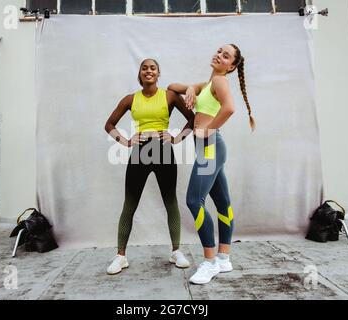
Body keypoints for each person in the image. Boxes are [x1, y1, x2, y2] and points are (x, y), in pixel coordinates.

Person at [168, 44, 255, 284]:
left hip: (210, 148)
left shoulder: (219, 82)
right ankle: (224, 258)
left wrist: (209, 128)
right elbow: (172, 87)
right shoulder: (210, 83)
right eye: (219, 51)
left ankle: (209, 263)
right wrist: (192, 89)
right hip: (209, 149)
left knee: (194, 201)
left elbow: (229, 108)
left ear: (232, 66)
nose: (219, 55)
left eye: (226, 56)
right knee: (222, 202)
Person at [104, 58, 195, 275]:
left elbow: (192, 119)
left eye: (152, 68)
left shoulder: (170, 95)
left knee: (170, 201)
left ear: (158, 73)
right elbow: (109, 124)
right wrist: (125, 141)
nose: (148, 71)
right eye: (144, 68)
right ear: (140, 73)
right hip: (140, 153)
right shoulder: (130, 99)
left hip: (163, 151)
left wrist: (175, 138)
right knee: (130, 203)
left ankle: (176, 251)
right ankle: (120, 256)